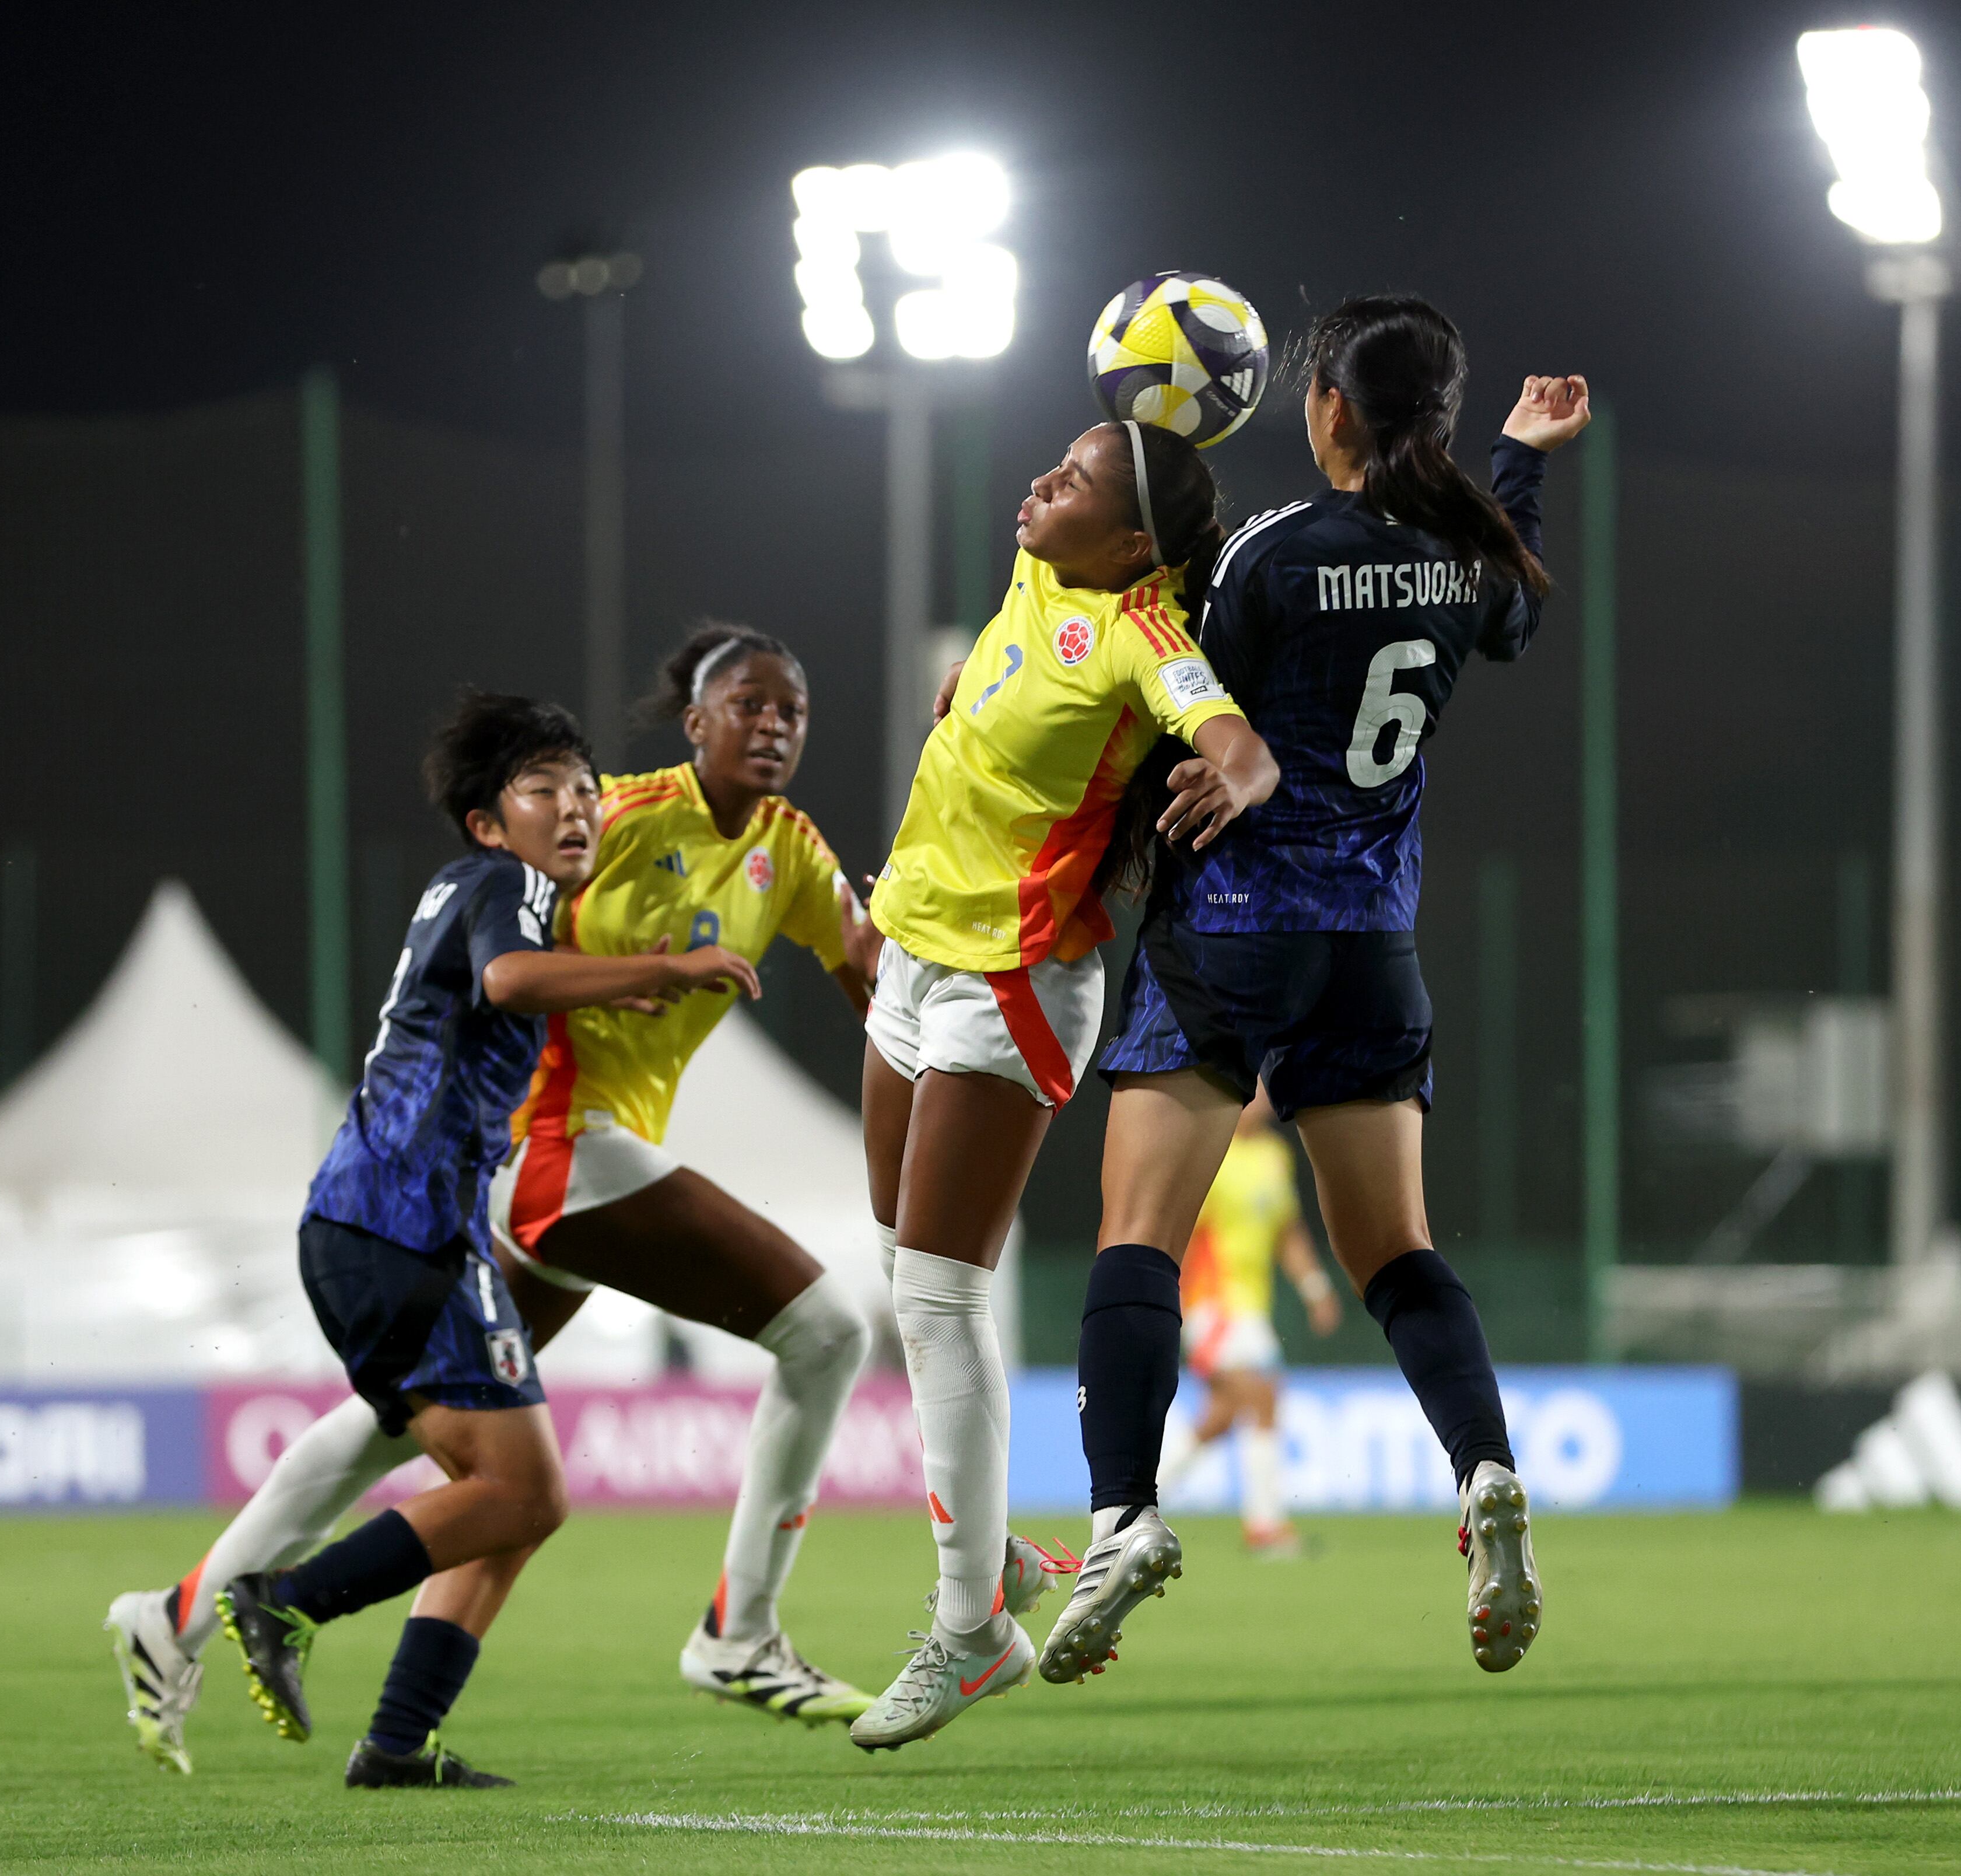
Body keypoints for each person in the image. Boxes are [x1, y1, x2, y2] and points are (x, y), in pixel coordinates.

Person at [106, 633, 1070, 1768]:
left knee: (421, 1444)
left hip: (555, 1184)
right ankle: (740, 1631)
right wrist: (646, 968)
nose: (772, 724)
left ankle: (205, 1633)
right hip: (551, 1153)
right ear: (693, 720)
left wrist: (956, 894)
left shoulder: (789, 850)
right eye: (745, 703)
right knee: (823, 1334)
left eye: (793, 709)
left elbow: (879, 983)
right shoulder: (609, 814)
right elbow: (501, 954)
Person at [1051, 293, 1588, 1686]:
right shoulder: (1469, 559)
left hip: (1226, 933)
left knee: (1136, 1239)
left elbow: (1174, 702)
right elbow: (1517, 600)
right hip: (1372, 949)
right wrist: (1520, 458)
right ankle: (1481, 1472)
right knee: (1396, 1255)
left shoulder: (1271, 553)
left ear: (1329, 411)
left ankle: (1119, 1518)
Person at [106, 691, 759, 1788]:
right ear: (485, 822)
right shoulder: (496, 888)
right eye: (541, 787)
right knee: (519, 1493)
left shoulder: (504, 898)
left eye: (585, 786)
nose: (575, 806)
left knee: (510, 1500)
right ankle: (281, 1602)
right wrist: (660, 970)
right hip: (395, 1225)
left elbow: (506, 993)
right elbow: (507, 982)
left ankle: (387, 1734)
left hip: (410, 1227)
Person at [848, 418, 1280, 1752]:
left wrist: (1236, 770)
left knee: (935, 1290)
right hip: (912, 944)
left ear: (1136, 544)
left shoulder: (1146, 631)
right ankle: (994, 1559)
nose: (1041, 482)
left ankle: (970, 1630)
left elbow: (1236, 741)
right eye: (1055, 460)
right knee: (899, 1266)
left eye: (1077, 479)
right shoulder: (1039, 569)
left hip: (1016, 972)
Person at [1155, 1091, 1343, 1557]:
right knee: (1262, 1394)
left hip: (1252, 1308)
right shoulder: (1209, 1154)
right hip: (1211, 1303)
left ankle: (1136, 1497)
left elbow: (1287, 1230)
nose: (1261, 1096)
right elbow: (1179, 1230)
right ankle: (1265, 1526)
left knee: (1221, 1417)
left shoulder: (1276, 1157)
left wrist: (1315, 1288)